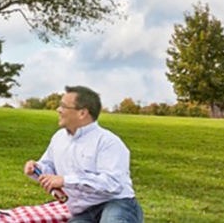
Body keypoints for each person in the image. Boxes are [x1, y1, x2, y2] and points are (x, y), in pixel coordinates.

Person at [21, 86, 143, 223]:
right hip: (84, 212)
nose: (58, 110)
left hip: (116, 203)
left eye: (63, 106)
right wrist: (37, 168)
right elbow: (50, 168)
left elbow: (113, 184)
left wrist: (65, 181)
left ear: (82, 113)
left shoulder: (108, 142)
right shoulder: (59, 138)